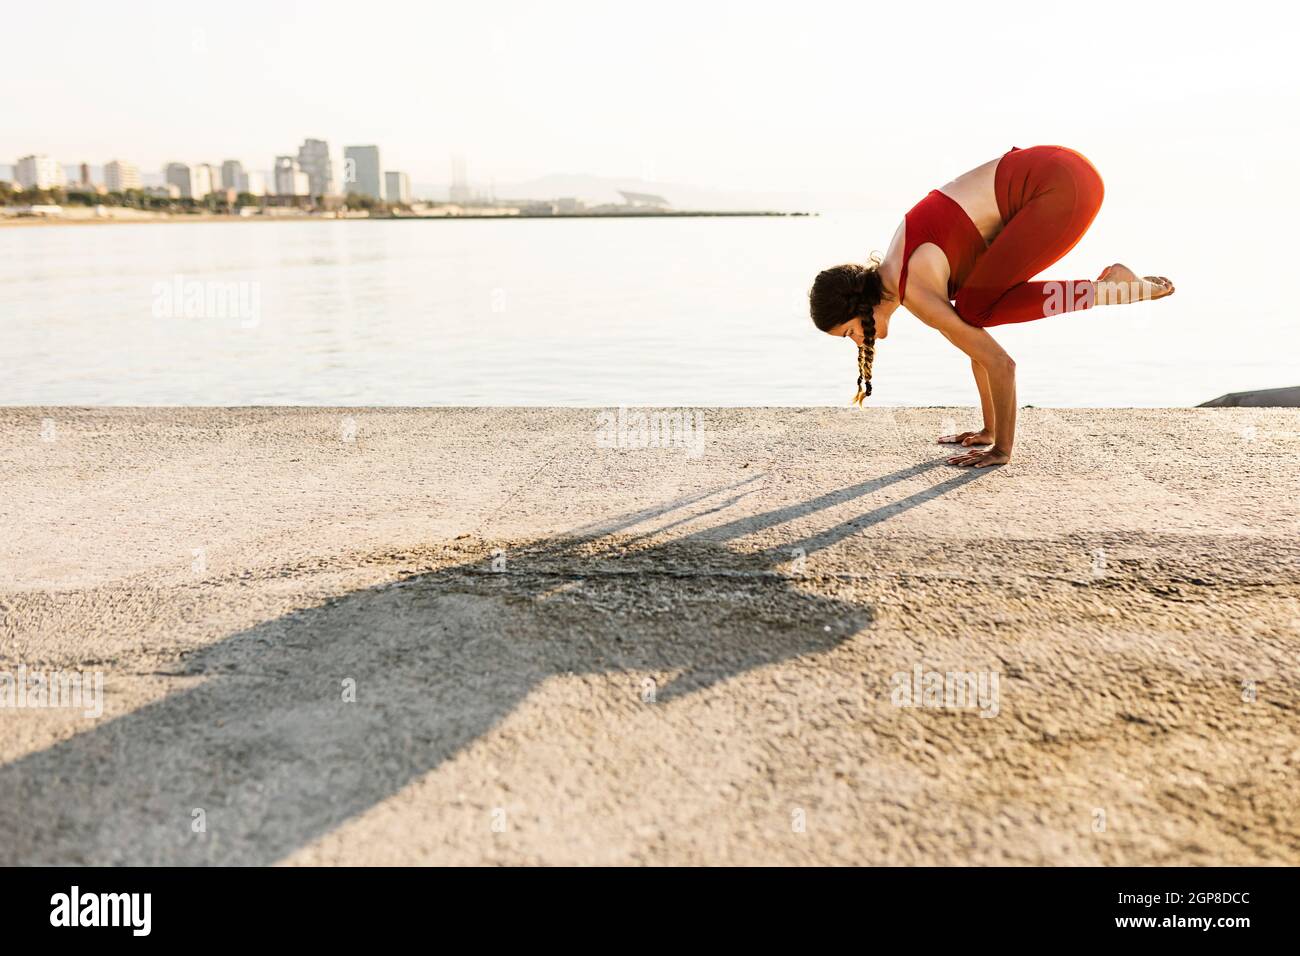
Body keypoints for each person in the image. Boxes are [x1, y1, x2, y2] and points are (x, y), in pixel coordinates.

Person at [809, 145, 1174, 467]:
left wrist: (1002, 449)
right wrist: (988, 430)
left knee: (976, 310)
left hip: (1060, 185)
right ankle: (1110, 288)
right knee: (973, 310)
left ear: (857, 306)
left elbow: (1001, 363)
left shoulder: (915, 290)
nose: (859, 342)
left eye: (850, 332)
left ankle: (1111, 289)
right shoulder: (898, 268)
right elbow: (977, 348)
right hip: (1062, 173)